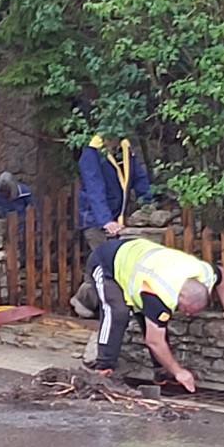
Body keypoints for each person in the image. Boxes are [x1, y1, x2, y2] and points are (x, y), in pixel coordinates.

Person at [85, 237, 224, 391]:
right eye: (186, 309)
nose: (187, 314)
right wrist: (179, 371)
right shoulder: (160, 292)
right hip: (107, 260)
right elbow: (154, 341)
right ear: (181, 295)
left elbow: (223, 275)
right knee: (117, 312)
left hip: (140, 261)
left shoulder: (204, 274)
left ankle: (162, 373)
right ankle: (104, 368)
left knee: (153, 318)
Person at [70, 134, 154, 317]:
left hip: (117, 216)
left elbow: (138, 177)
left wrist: (148, 203)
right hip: (94, 219)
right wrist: (105, 220)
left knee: (105, 263)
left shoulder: (125, 149)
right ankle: (90, 302)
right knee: (107, 263)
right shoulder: (91, 154)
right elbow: (95, 189)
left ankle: (84, 301)